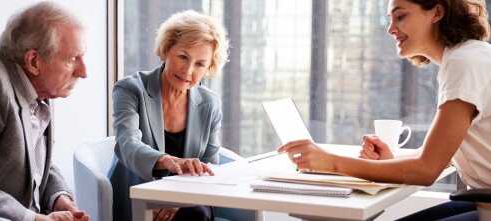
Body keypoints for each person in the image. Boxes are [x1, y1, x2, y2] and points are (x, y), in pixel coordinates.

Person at [278, 0, 491, 220]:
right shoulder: (468, 58)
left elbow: (427, 170)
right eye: (390, 20)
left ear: (437, 12)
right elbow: (441, 154)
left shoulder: (464, 63)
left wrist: (331, 162)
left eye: (400, 17)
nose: (391, 29)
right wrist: (390, 163)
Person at [0, 2, 89, 221]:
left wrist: (58, 198)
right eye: (73, 59)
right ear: (34, 61)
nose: (84, 72)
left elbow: (35, 163)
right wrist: (33, 218)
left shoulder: (40, 86)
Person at [109, 10, 229, 221]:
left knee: (195, 212)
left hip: (191, 198)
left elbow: (210, 166)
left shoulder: (210, 103)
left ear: (209, 67)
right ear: (166, 50)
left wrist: (179, 199)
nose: (188, 70)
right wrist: (167, 161)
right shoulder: (130, 89)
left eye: (200, 64)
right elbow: (127, 145)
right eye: (183, 57)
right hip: (138, 192)